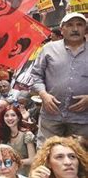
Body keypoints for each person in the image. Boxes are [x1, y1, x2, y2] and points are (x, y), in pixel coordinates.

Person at [31, 12, 88, 147]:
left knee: (79, 157)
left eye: (79, 25)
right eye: (70, 25)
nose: (75, 29)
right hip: (51, 116)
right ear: (62, 29)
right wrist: (44, 95)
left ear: (85, 28)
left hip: (82, 118)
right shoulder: (48, 49)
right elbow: (35, 76)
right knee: (46, 154)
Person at [0, 105, 36, 176]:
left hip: (25, 175)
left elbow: (32, 159)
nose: (10, 118)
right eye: (6, 116)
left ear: (18, 118)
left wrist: (13, 162)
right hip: (9, 174)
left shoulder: (27, 135)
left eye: (13, 115)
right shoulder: (4, 136)